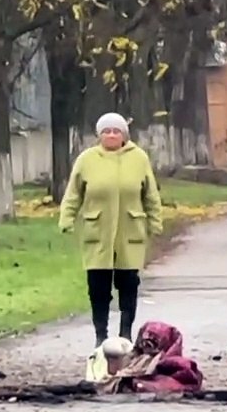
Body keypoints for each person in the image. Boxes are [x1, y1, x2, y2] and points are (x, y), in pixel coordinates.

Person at [59, 112, 164, 346]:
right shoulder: (87, 159)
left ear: (124, 135)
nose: (111, 135)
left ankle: (125, 334)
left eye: (116, 131)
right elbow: (73, 193)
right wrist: (66, 218)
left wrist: (155, 222)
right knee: (98, 286)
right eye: (106, 131)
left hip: (130, 232)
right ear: (99, 135)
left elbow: (151, 195)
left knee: (128, 284)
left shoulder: (139, 158)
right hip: (98, 232)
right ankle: (100, 335)